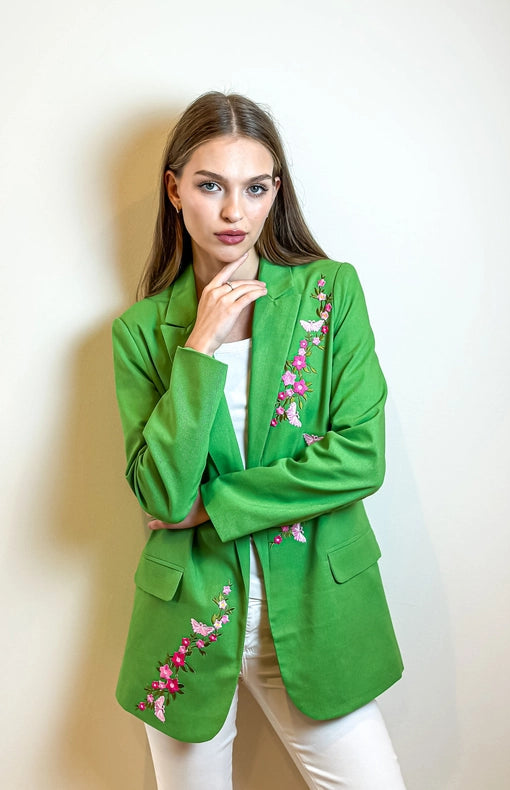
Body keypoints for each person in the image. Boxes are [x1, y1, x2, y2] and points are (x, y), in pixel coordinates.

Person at [112, 91, 406, 789]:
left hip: (316, 607)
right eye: (210, 185)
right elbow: (162, 496)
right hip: (188, 618)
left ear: (276, 192)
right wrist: (199, 348)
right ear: (175, 190)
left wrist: (217, 507)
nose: (234, 213)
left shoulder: (329, 294)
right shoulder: (140, 332)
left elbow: (360, 458)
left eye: (255, 188)